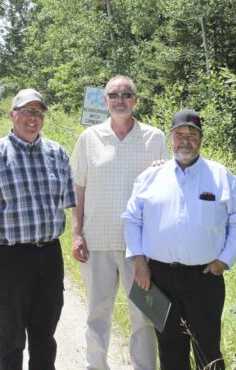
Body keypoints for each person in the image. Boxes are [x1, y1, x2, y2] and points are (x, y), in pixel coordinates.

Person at [122, 109, 236, 370]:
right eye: (179, 134)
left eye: (192, 134)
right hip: (158, 277)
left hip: (205, 278)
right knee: (169, 349)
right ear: (170, 138)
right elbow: (132, 219)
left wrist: (224, 260)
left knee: (208, 349)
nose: (185, 140)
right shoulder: (150, 177)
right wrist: (139, 262)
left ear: (201, 139)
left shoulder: (220, 177)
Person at [71, 75, 167, 370]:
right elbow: (78, 187)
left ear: (135, 100)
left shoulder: (155, 137)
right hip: (96, 242)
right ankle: (96, 366)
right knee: (97, 314)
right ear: (105, 101)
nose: (120, 99)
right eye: (114, 94)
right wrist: (76, 233)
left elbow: (165, 186)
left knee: (144, 316)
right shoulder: (89, 138)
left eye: (127, 94)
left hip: (139, 248)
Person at [0, 88, 77, 370]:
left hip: (48, 255)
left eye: (37, 112)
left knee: (45, 335)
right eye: (25, 111)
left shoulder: (57, 153)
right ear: (12, 115)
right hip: (7, 258)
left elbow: (70, 203)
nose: (32, 118)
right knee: (11, 335)